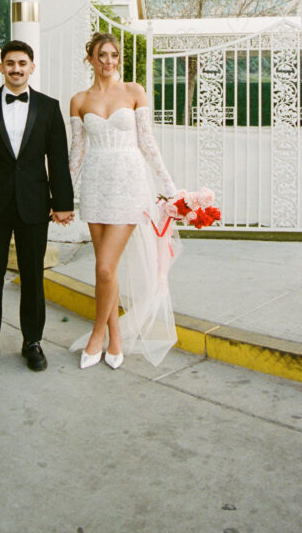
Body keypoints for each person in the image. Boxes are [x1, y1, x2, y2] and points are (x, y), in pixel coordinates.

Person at [69, 32, 181, 370]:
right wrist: (59, 195)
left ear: (119, 58)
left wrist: (170, 187)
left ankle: (96, 335)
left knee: (104, 267)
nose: (108, 62)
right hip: (95, 184)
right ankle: (115, 338)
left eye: (114, 55)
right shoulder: (78, 99)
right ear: (90, 58)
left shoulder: (134, 91)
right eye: (101, 55)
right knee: (107, 269)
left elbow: (147, 143)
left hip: (129, 184)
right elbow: (77, 152)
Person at [0, 40, 74, 373]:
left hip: (34, 205)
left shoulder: (48, 107)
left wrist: (62, 202)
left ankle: (33, 343)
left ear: (31, 67)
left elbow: (58, 158)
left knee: (33, 277)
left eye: (22, 63)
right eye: (10, 63)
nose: (16, 69)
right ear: (1, 67)